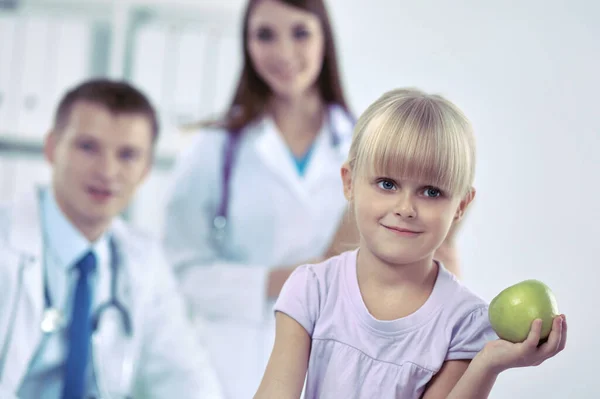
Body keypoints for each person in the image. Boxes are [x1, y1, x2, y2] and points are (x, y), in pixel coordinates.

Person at [162, 0, 461, 397]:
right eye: (265, 35)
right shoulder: (213, 149)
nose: (284, 52)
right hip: (229, 364)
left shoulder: (368, 146)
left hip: (342, 360)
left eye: (300, 33)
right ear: (247, 45)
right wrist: (292, 280)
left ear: (324, 39)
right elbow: (178, 273)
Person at [254, 88, 568, 398]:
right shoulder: (312, 289)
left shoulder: (465, 323)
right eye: (387, 184)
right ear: (349, 182)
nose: (405, 208)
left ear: (461, 205)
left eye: (431, 191)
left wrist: (486, 365)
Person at [0, 79, 224, 398]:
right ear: (52, 148)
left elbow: (185, 377)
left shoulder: (142, 259)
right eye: (88, 147)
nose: (107, 171)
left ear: (146, 169)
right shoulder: (6, 240)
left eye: (128, 155)